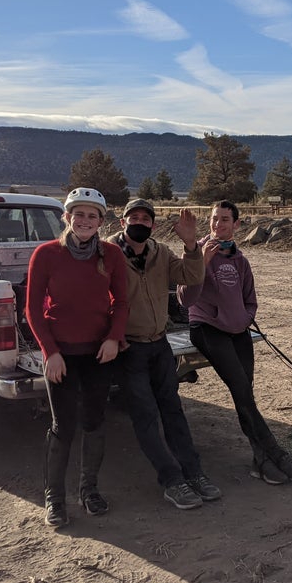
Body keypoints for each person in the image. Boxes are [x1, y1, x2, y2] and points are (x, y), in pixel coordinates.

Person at [177, 200, 292, 485]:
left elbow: (250, 299)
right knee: (240, 388)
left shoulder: (240, 260)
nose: (217, 225)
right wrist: (203, 262)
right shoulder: (195, 252)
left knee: (244, 393)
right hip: (207, 328)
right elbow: (185, 299)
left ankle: (260, 461)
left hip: (238, 332)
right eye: (214, 219)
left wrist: (244, 318)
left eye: (225, 220)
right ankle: (276, 453)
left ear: (236, 225)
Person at [109, 198, 221, 510]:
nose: (140, 223)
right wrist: (110, 336)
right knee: (145, 416)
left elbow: (190, 276)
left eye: (146, 219)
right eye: (134, 218)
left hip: (159, 345)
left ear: (153, 225)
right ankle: (172, 480)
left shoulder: (161, 253)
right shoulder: (107, 253)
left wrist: (190, 244)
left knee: (173, 411)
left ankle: (194, 473)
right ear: (122, 222)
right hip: (128, 349)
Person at [26, 187, 128, 528]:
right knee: (63, 425)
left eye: (92, 215)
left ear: (101, 221)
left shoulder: (111, 254)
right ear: (67, 217)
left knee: (95, 421)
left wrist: (114, 338)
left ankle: (89, 490)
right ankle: (54, 498)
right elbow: (33, 310)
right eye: (79, 214)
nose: (85, 220)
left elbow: (122, 302)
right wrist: (50, 352)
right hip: (62, 355)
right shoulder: (46, 254)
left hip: (98, 353)